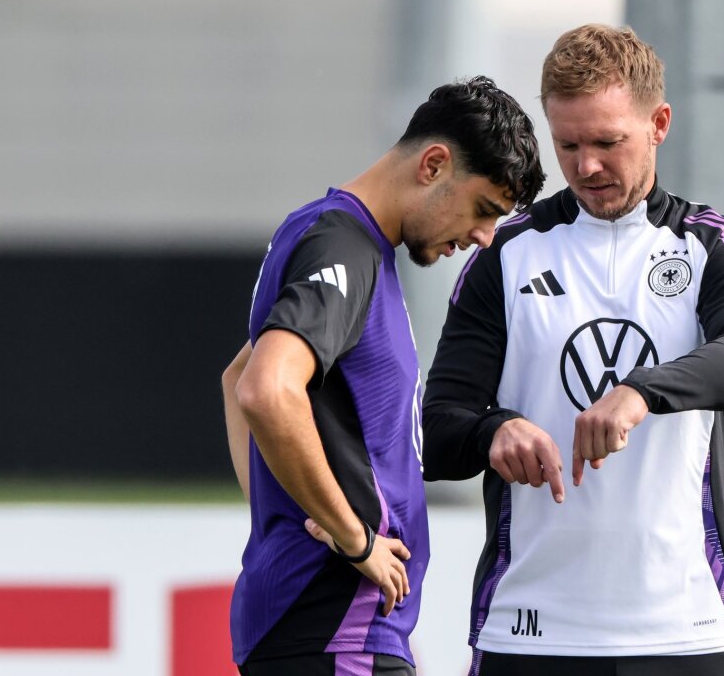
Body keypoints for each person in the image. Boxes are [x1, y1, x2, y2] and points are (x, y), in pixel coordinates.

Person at [422, 25, 724, 676]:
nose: (587, 166)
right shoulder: (507, 253)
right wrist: (494, 432)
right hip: (530, 632)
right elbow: (438, 429)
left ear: (659, 123)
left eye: (607, 142)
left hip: (685, 630)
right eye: (568, 144)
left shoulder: (711, 245)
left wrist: (640, 391)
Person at [220, 75, 545, 676]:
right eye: (482, 209)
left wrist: (290, 512)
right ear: (434, 164)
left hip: (324, 626)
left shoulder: (343, 241)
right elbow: (263, 390)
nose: (481, 237)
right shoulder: (344, 248)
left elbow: (237, 379)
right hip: (335, 628)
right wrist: (352, 537)